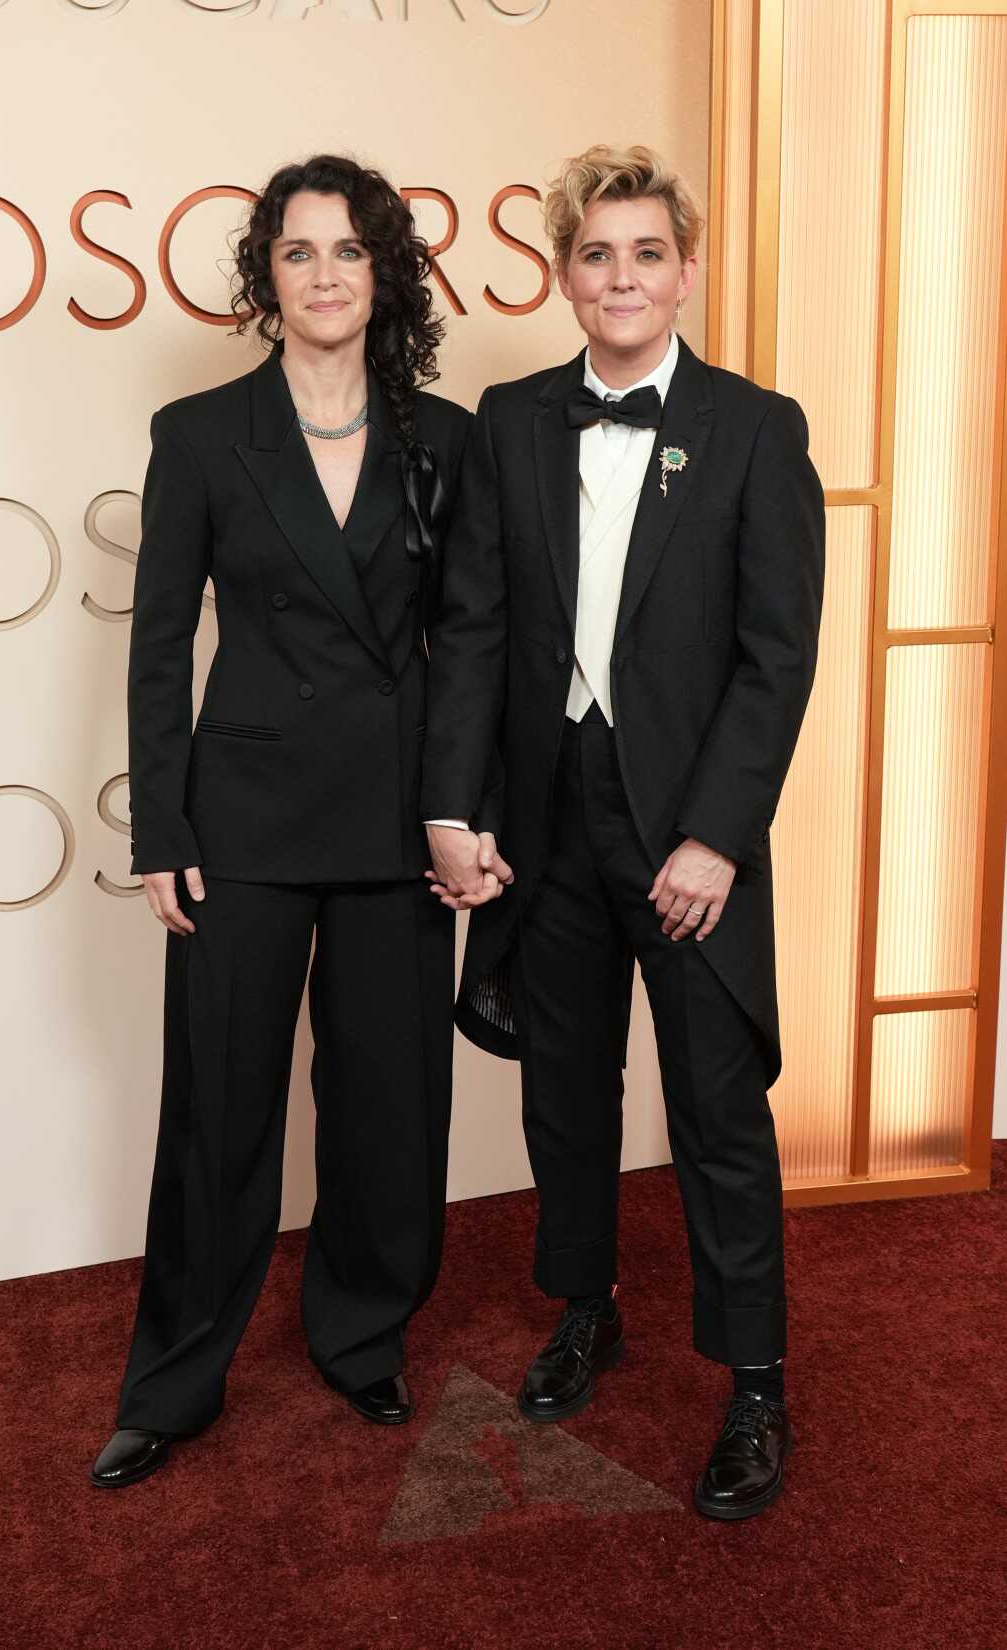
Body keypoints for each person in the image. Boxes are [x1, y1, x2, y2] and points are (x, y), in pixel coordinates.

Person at [421, 144, 825, 1520]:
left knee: (717, 1108)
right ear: (564, 272)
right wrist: (457, 806)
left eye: (648, 252)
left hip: (689, 835)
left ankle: (755, 1380)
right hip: (548, 820)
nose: (622, 276)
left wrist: (716, 833)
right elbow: (472, 629)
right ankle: (586, 1306)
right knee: (566, 1090)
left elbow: (777, 656)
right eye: (597, 253)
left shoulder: (759, 428)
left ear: (686, 269)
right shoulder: (510, 418)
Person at [90, 154, 473, 1489]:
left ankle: (363, 1336)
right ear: (267, 276)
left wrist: (461, 809)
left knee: (388, 1104)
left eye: (348, 251)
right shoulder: (201, 434)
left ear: (384, 276)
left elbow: (472, 644)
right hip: (242, 821)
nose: (323, 274)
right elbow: (156, 648)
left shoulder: (446, 436)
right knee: (219, 1114)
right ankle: (177, 1376)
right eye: (299, 251)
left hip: (396, 827)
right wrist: (161, 827)